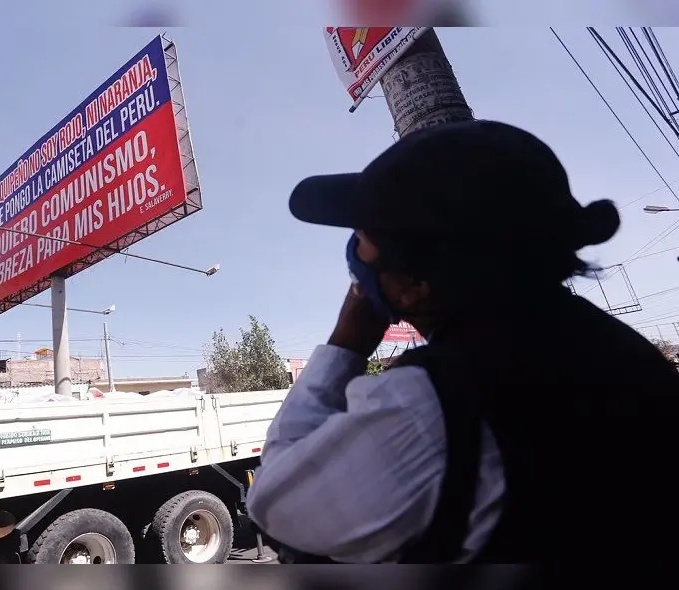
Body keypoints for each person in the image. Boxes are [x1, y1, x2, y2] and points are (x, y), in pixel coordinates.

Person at [245, 120, 679, 563]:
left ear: (413, 283)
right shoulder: (619, 348)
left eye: (362, 240)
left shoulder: (431, 401)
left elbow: (276, 505)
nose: (355, 256)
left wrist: (345, 345)